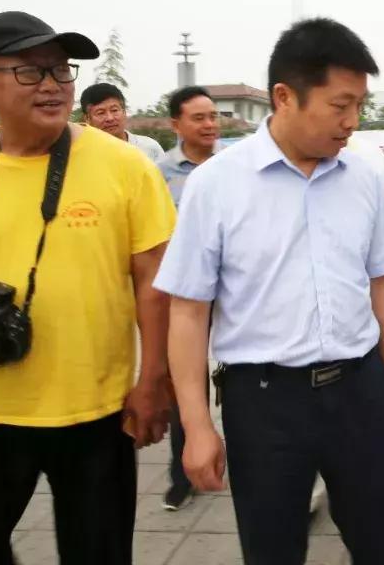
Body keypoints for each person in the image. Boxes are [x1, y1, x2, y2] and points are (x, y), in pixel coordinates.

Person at [155, 17, 384, 565]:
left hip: (359, 390)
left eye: (359, 105)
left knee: (382, 538)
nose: (353, 121)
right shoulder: (216, 185)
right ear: (284, 96)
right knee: (272, 547)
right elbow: (188, 312)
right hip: (265, 401)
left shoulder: (365, 179)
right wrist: (197, 427)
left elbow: (383, 282)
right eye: (340, 105)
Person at [0, 11, 176, 565]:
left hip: (97, 408)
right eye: (31, 72)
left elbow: (154, 283)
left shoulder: (125, 166)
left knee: (99, 554)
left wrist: (154, 380)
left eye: (62, 71)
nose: (53, 86)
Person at [152, 85, 220, 511]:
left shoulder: (237, 164)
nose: (210, 124)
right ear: (176, 125)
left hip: (235, 293)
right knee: (184, 383)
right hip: (187, 295)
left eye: (213, 116)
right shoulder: (158, 174)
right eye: (199, 118)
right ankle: (182, 474)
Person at [81, 81, 165, 161]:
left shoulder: (150, 148)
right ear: (87, 119)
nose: (110, 118)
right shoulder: (81, 155)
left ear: (124, 112)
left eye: (114, 110)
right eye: (101, 113)